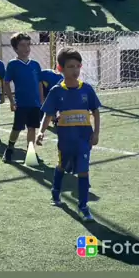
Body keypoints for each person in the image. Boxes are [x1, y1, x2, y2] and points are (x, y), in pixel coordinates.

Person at [37, 47, 101, 221]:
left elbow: (96, 111)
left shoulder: (87, 89)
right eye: (70, 66)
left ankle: (83, 206)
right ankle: (55, 191)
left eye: (77, 66)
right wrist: (41, 132)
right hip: (65, 140)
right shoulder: (56, 91)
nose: (75, 70)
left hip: (84, 140)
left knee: (83, 171)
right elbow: (48, 114)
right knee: (62, 166)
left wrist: (96, 133)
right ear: (61, 69)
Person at [2, 32, 44, 163]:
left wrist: (42, 101)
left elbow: (39, 83)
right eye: (22, 45)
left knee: (32, 128)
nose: (26, 48)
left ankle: (30, 153)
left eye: (28, 45)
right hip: (21, 104)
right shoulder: (13, 64)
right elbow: (6, 83)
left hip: (34, 104)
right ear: (15, 48)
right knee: (17, 128)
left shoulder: (35, 64)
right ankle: (9, 149)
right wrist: (11, 101)